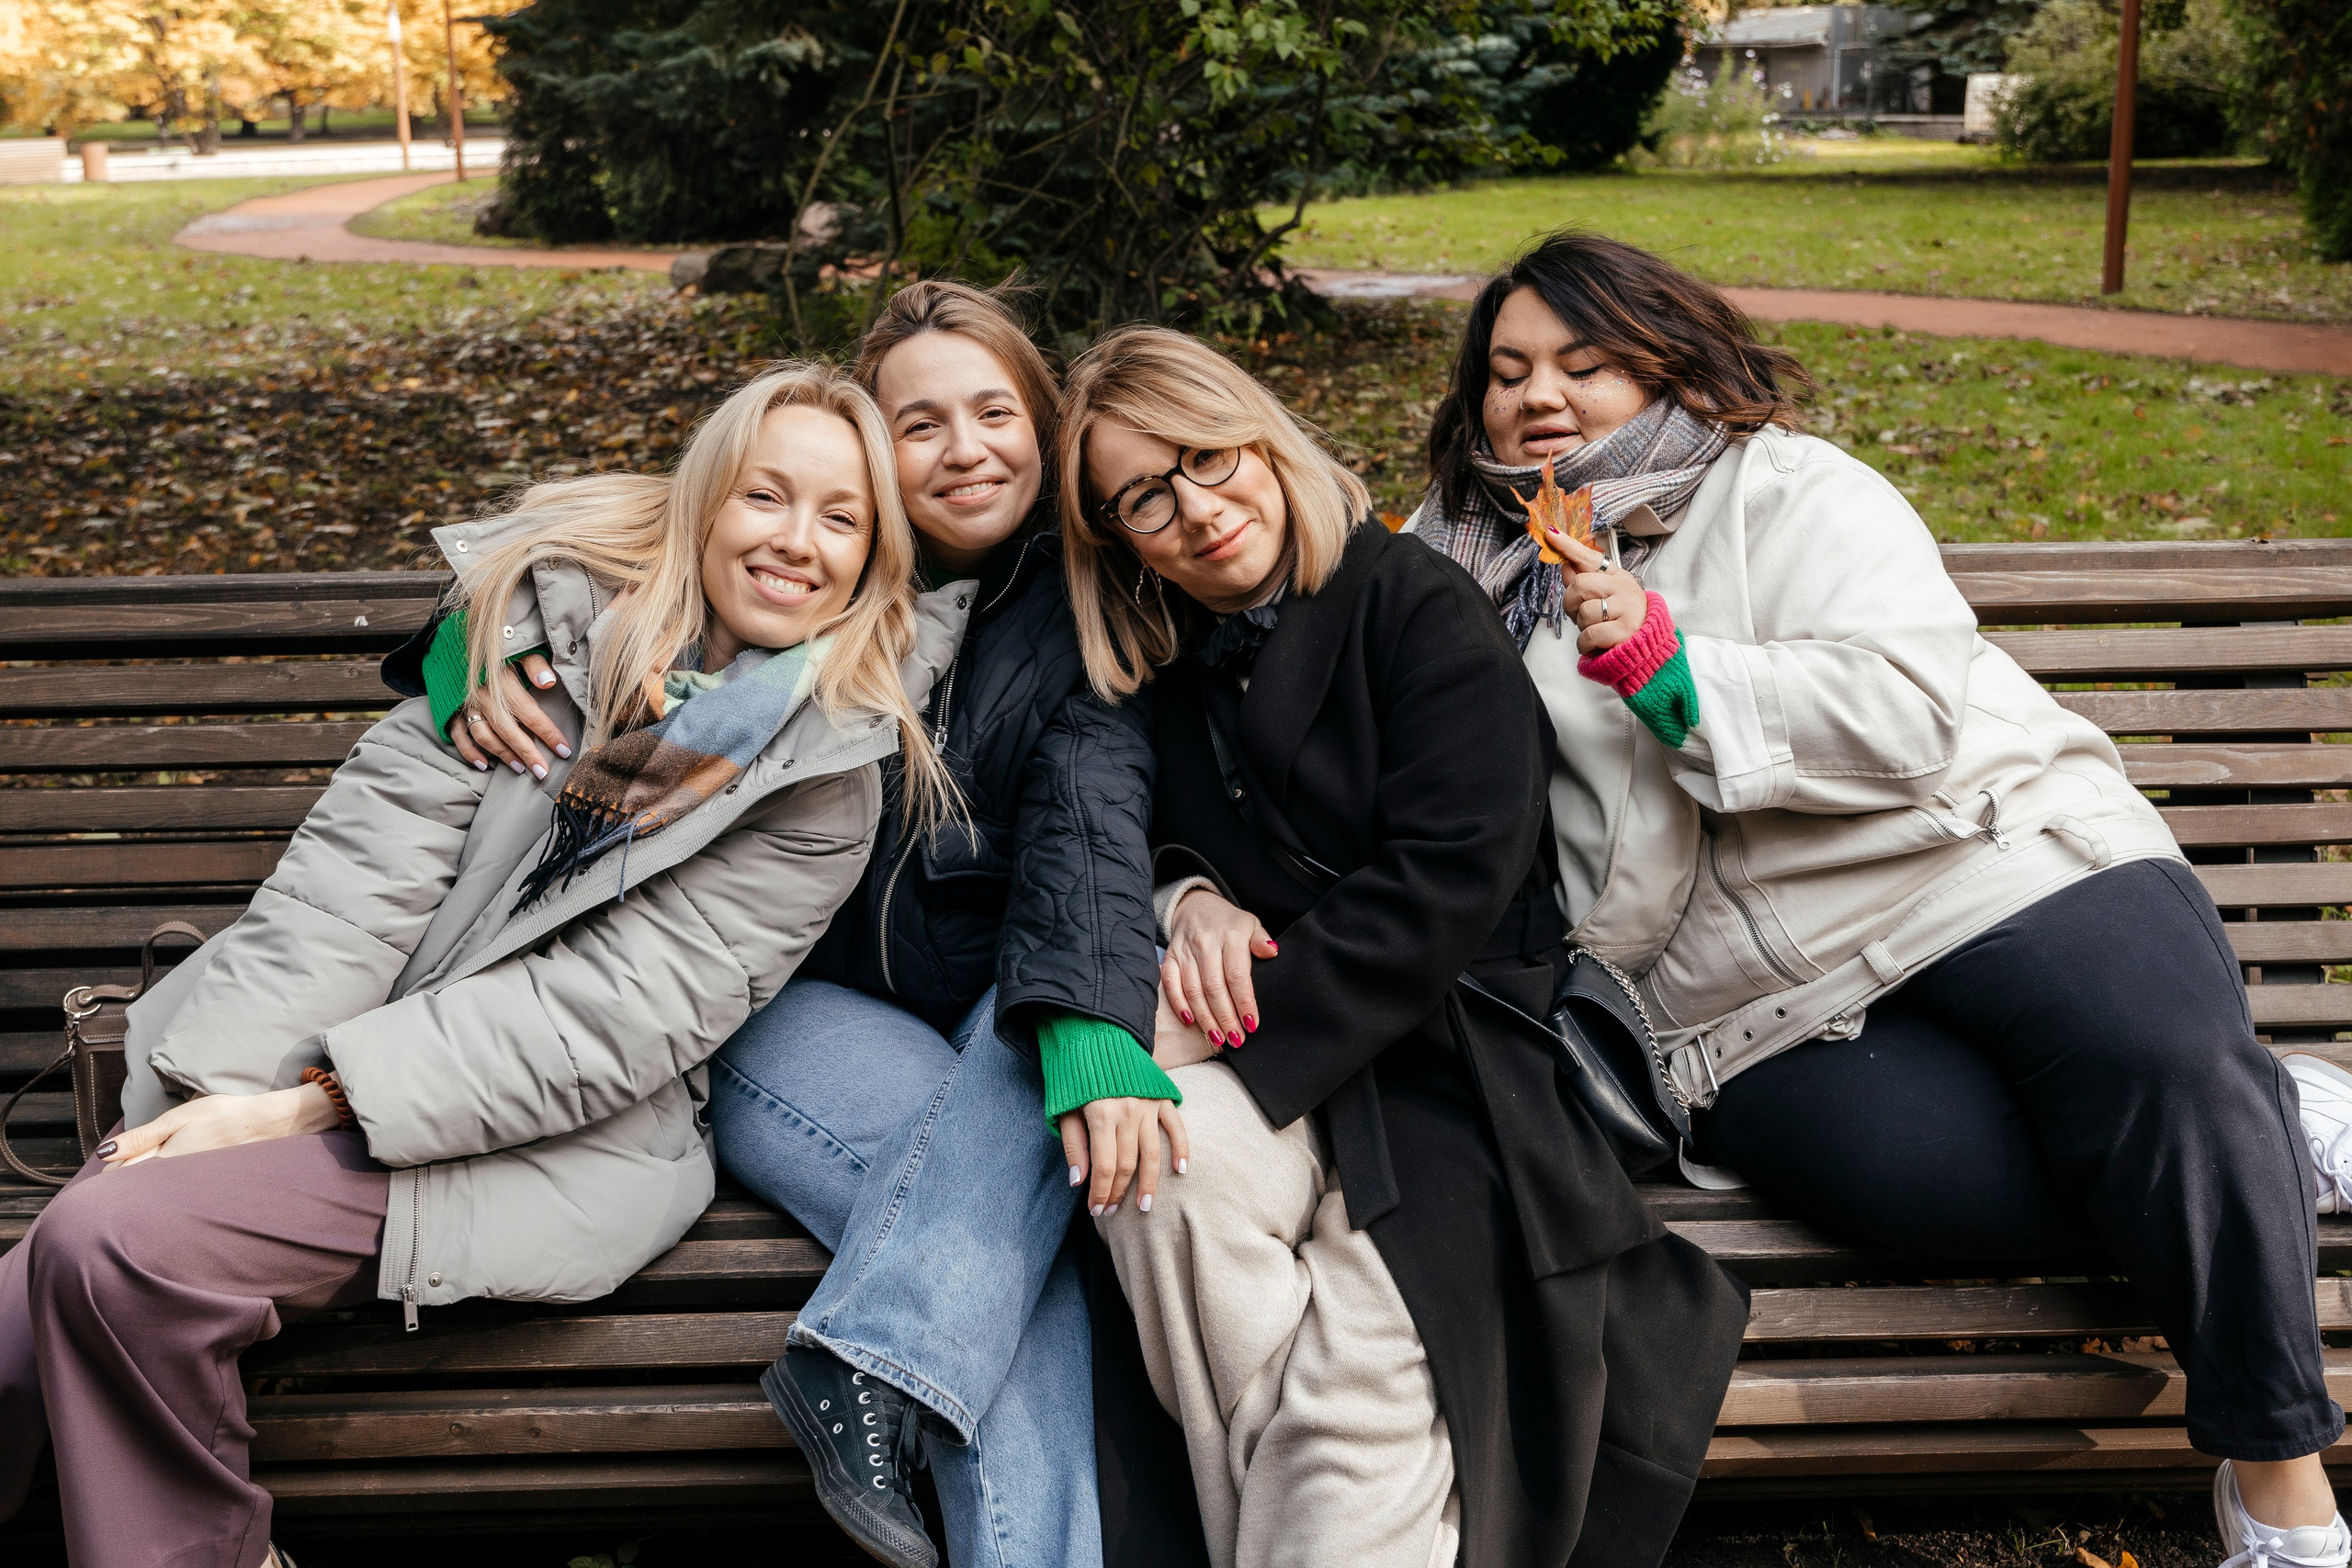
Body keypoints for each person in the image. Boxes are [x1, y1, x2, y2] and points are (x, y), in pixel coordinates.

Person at [1409, 228, 2349, 1568]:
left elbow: (1913, 713)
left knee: (2158, 1067)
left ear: (1668, 364)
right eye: (1506, 373)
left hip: (1985, 854)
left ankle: (2281, 1495)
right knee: (1923, 1183)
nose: (1536, 397)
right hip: (1751, 996)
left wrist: (1672, 669)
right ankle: (2267, 1125)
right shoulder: (1456, 576)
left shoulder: (1790, 490)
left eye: (1585, 361)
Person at [0, 362, 964, 1568]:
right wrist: (221, 1101)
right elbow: (348, 889)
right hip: (326, 1079)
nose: (797, 542)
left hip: (547, 1138)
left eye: (842, 519)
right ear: (707, 504)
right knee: (32, 1303)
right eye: (768, 498)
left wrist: (303, 1107)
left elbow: (611, 1021)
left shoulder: (823, 778)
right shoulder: (534, 652)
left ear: (874, 559)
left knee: (108, 1248)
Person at [423, 281, 1177, 1568]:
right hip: (776, 998)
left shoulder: (1077, 599)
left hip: (991, 1006)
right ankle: (892, 1378)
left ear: (1046, 426)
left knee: (1011, 1172)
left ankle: (867, 1369)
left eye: (997, 412)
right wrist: (466, 653)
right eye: (920, 424)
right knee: (1007, 1237)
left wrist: (1100, 1020)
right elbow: (543, 583)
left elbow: (1089, 812)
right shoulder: (798, 540)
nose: (967, 449)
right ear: (870, 449)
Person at [1057, 325, 1751, 1568]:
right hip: (1284, 1063)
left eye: (1209, 459)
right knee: (1158, 1177)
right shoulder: (1164, 667)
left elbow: (1451, 883)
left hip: (1451, 1068)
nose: (1198, 511)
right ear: (1115, 536)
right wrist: (1189, 892)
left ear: (1262, 441)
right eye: (1146, 498)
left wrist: (1247, 1046)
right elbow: (1147, 831)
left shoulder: (1414, 604)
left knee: (1350, 1398)